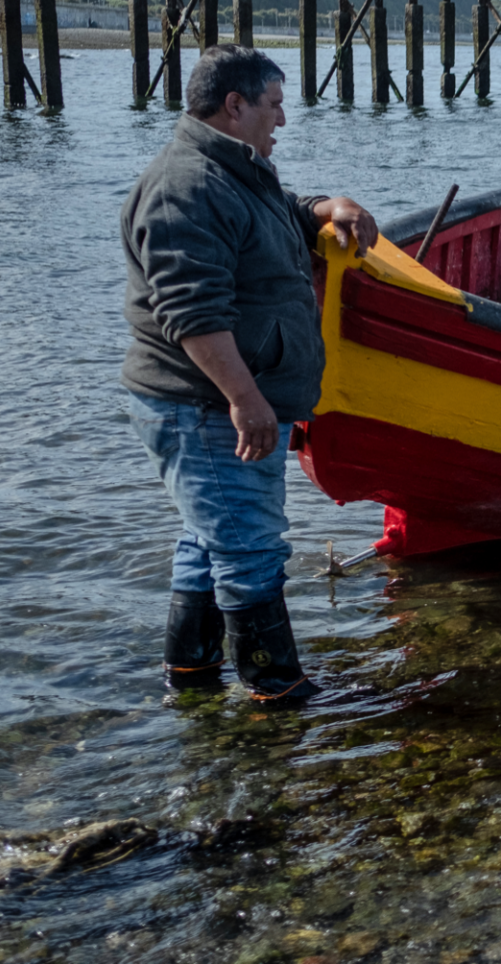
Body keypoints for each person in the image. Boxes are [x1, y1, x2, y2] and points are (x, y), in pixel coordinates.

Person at [121, 45, 377, 703]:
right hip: (206, 405)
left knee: (208, 543)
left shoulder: (235, 170)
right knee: (251, 550)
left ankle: (193, 680)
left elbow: (285, 211)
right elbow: (190, 311)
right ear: (235, 106)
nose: (282, 120)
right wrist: (245, 399)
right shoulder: (189, 186)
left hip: (219, 402)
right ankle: (277, 690)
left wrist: (329, 207)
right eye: (273, 104)